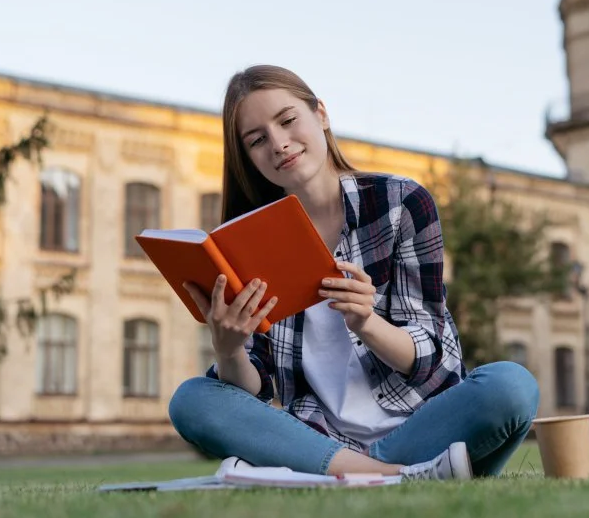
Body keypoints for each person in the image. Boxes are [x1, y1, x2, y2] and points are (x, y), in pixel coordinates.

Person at [167, 65, 540, 481]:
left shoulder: (400, 203)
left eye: (288, 120)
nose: (279, 144)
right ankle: (398, 477)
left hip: (422, 429)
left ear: (321, 115)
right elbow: (254, 391)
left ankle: (346, 478)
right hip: (318, 440)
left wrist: (367, 322)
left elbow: (438, 362)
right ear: (249, 158)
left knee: (511, 385)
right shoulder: (247, 243)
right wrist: (229, 349)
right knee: (191, 400)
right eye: (257, 140)